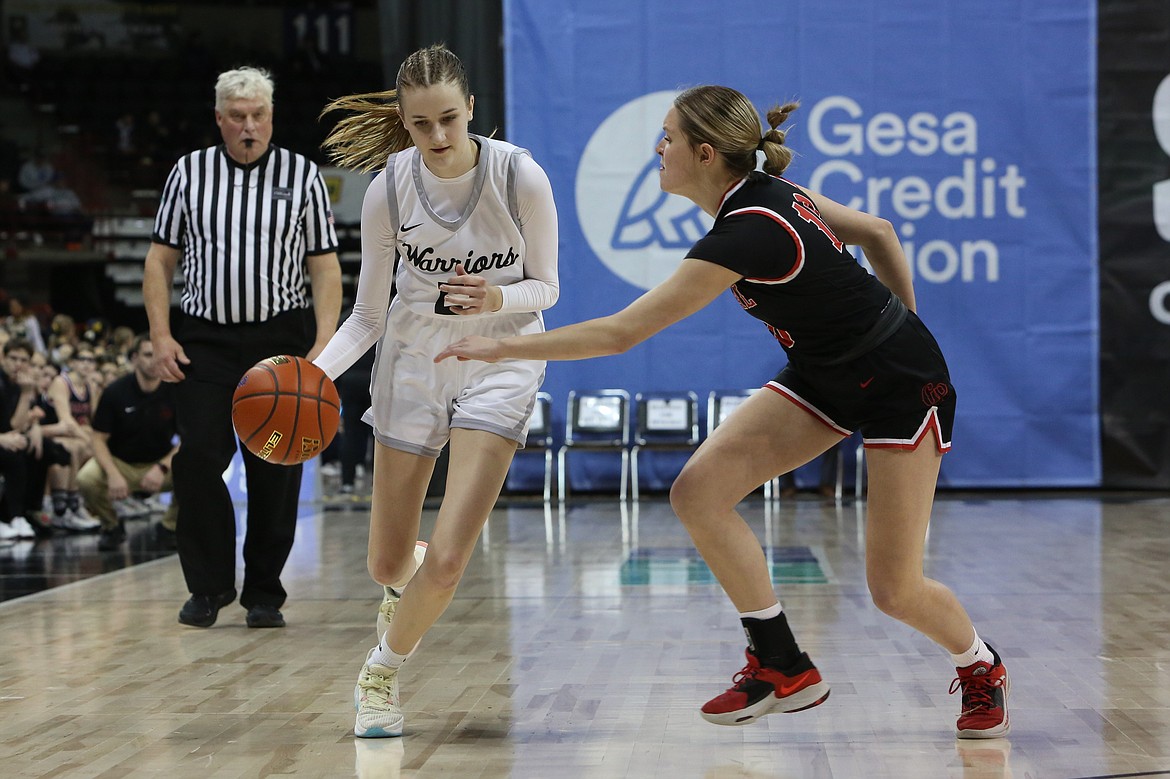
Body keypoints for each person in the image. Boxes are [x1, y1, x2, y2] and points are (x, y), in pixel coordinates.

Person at [437, 85, 1009, 740]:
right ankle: (781, 660)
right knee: (698, 492)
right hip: (826, 373)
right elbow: (877, 231)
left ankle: (980, 663)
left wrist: (500, 342)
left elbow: (622, 333)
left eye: (668, 138)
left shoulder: (750, 231)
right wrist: (904, 315)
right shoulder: (764, 201)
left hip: (902, 383)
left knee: (893, 588)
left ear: (705, 154)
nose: (659, 148)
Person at [313, 43, 559, 738]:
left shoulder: (520, 176)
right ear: (405, 121)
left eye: (450, 119)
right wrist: (312, 376)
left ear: (472, 108)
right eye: (422, 125)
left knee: (448, 557)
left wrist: (497, 297)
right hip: (413, 356)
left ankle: (380, 675)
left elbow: (550, 285)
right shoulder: (390, 187)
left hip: (502, 353)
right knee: (388, 563)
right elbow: (367, 314)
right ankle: (404, 576)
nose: (439, 137)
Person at [143, 66, 342, 629]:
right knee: (199, 457)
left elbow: (324, 267)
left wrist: (324, 339)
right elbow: (160, 260)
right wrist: (161, 335)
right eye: (237, 117)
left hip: (279, 337)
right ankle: (207, 588)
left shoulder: (302, 175)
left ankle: (263, 592)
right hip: (204, 337)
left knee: (276, 463)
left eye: (258, 116)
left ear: (272, 117)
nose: (249, 127)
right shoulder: (188, 173)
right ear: (219, 120)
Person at [77, 334, 179, 552]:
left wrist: (162, 467)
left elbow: (189, 440)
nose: (154, 360)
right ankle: (111, 526)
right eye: (148, 355)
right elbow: (98, 438)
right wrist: (113, 473)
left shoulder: (175, 391)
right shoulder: (115, 392)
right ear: (134, 358)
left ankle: (169, 527)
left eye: (158, 354)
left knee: (197, 471)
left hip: (159, 464)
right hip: (120, 462)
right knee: (86, 478)